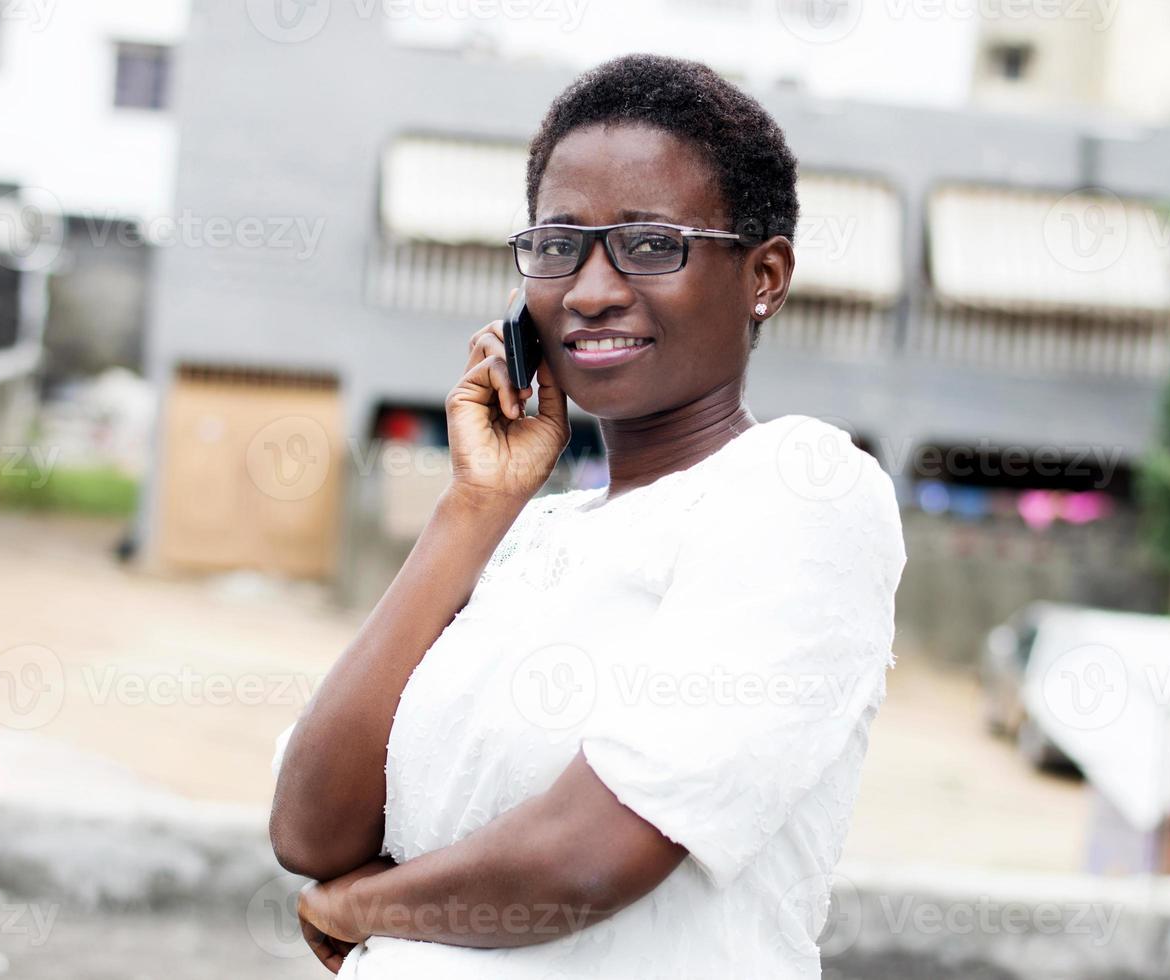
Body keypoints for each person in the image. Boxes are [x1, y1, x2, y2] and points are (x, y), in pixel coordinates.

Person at [268, 52, 907, 979]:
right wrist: (474, 506)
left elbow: (590, 854)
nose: (592, 288)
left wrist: (362, 907)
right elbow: (309, 826)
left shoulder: (802, 489)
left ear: (764, 277)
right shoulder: (530, 537)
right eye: (559, 245)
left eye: (651, 244)